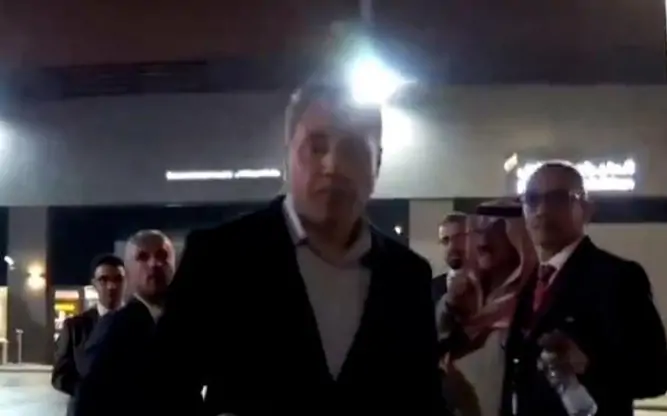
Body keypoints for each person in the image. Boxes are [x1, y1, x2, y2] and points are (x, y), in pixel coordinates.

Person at [155, 82, 447, 416]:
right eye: (316, 147)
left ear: (377, 164)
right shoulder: (220, 257)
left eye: (352, 149)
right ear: (287, 155)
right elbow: (162, 388)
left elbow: (423, 399)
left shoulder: (407, 276)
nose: (332, 165)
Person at [500, 162, 667, 416]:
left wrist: (589, 364)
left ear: (587, 209)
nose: (542, 210)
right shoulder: (527, 283)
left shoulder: (617, 278)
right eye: (533, 199)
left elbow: (656, 376)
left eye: (558, 199)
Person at [437, 200, 536, 416]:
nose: (483, 241)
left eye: (496, 231)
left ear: (517, 237)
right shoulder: (457, 295)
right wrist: (449, 307)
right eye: (479, 231)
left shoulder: (536, 298)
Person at [73, 230, 176, 416]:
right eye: (142, 257)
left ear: (174, 264)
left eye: (162, 255)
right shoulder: (113, 328)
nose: (154, 263)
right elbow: (89, 401)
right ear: (128, 270)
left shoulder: (187, 322)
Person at [52, 254, 125, 416]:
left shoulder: (140, 323)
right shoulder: (75, 326)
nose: (111, 286)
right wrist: (89, 393)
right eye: (103, 280)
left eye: (118, 279)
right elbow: (60, 375)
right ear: (94, 284)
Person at [433, 212, 468, 306]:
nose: (451, 247)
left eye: (459, 239)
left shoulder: (494, 285)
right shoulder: (429, 288)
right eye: (445, 240)